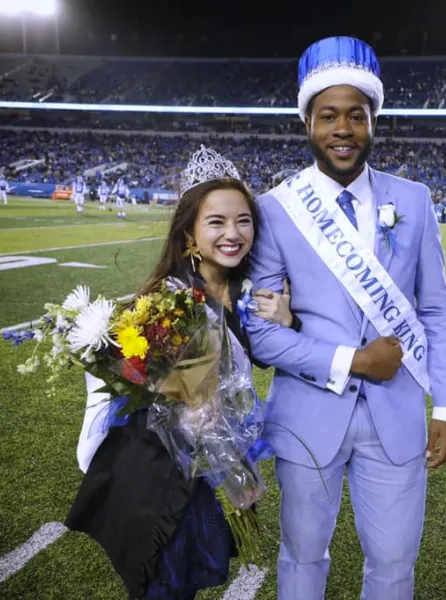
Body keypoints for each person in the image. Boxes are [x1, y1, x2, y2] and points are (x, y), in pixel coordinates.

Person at [246, 36, 446, 600]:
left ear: (373, 122)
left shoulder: (413, 200)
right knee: (301, 556)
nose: (343, 128)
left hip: (397, 421)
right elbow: (262, 333)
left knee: (393, 566)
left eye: (356, 115)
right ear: (307, 124)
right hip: (305, 415)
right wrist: (354, 360)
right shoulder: (272, 209)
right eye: (328, 116)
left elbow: (437, 309)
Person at [66, 146, 297, 600]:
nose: (233, 233)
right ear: (189, 232)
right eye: (216, 222)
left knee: (188, 582)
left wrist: (288, 322)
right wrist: (187, 406)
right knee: (163, 584)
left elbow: (262, 356)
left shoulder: (247, 293)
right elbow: (132, 378)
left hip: (207, 475)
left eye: (243, 220)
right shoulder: (167, 301)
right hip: (159, 478)